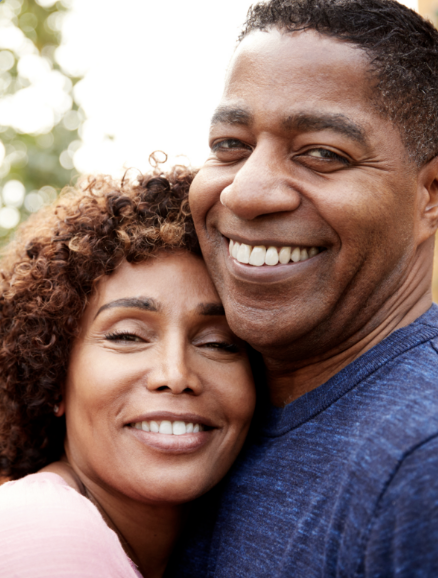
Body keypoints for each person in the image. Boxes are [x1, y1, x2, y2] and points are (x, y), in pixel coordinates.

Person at [168, 0, 438, 576]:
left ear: (430, 195)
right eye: (230, 146)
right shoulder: (195, 419)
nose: (246, 192)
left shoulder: (420, 463)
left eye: (322, 153)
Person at [0, 166, 256, 578]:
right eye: (126, 337)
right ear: (52, 379)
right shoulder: (45, 532)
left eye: (217, 343)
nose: (176, 374)